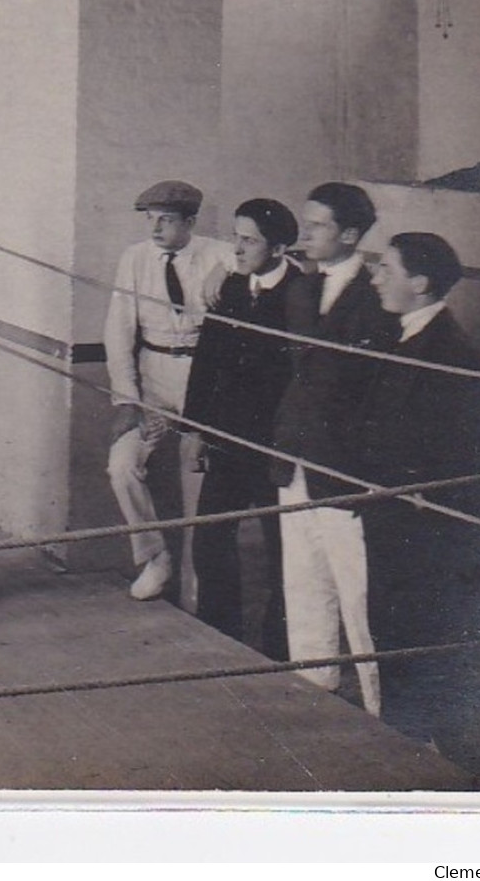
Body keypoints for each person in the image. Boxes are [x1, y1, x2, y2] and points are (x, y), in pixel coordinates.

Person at [353, 232, 480, 785]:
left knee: (424, 652)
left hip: (424, 542)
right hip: (392, 526)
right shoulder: (403, 337)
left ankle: (445, 775)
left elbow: (459, 459)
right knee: (394, 644)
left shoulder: (450, 355)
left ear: (419, 284)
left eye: (386, 269)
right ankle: (406, 760)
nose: (376, 277)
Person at [269, 182, 399, 715]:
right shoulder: (300, 290)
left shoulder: (379, 300)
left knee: (358, 597)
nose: (306, 233)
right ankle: (314, 689)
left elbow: (377, 396)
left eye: (318, 224)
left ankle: (381, 711)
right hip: (293, 459)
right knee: (303, 584)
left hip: (344, 470)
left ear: (349, 233)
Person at [103, 180, 235, 602]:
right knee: (122, 466)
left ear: (191, 223)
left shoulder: (219, 253)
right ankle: (155, 556)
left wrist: (229, 271)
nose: (156, 228)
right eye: (151, 219)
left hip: (202, 376)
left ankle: (196, 591)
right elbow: (118, 331)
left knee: (196, 481)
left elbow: (266, 261)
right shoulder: (135, 258)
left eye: (166, 220)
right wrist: (128, 400)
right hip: (152, 380)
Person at [181, 198, 300, 656]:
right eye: (236, 236)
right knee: (210, 541)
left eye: (249, 239)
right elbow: (207, 360)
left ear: (279, 247)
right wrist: (195, 430)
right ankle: (219, 636)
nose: (238, 247)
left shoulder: (299, 294)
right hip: (227, 441)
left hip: (273, 447)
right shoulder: (229, 286)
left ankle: (278, 649)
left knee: (281, 551)